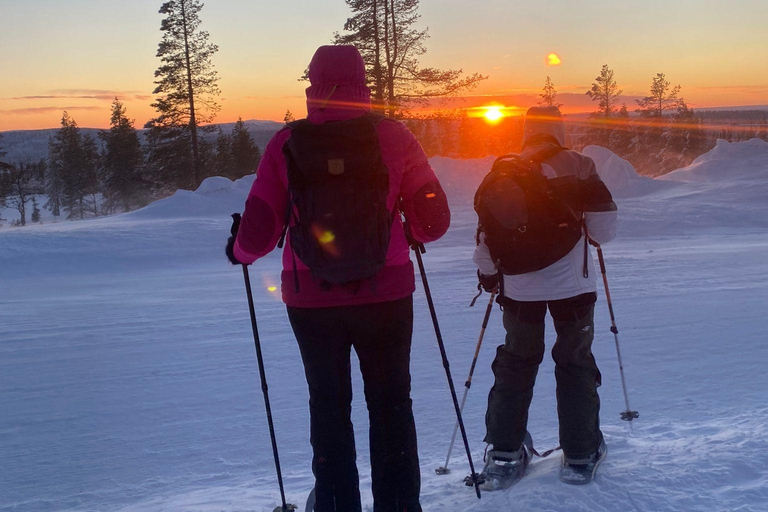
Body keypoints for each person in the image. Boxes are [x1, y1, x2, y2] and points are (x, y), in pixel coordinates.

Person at [226, 45, 450, 512]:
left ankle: (333, 503)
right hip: (386, 293)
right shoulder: (394, 136)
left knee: (328, 405)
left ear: (312, 82)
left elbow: (260, 227)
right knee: (391, 402)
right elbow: (435, 218)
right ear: (363, 82)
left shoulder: (286, 142)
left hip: (311, 301)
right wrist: (409, 231)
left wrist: (239, 251)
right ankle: (399, 505)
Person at [473, 106, 618, 489]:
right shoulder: (579, 164)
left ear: (525, 132)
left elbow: (486, 236)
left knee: (517, 362)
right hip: (573, 287)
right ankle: (581, 453)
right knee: (574, 362)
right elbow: (604, 229)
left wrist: (489, 275)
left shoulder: (503, 168)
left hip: (519, 290)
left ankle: (504, 454)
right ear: (559, 129)